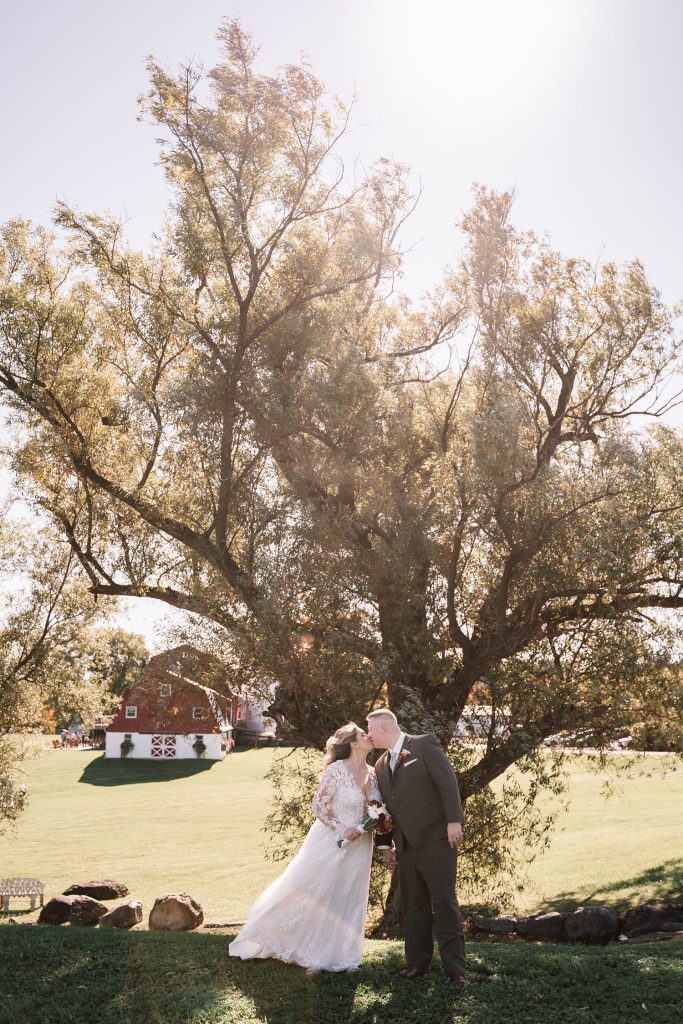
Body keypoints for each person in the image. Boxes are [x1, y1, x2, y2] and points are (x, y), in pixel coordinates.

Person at [229, 722, 380, 974]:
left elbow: (375, 810)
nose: (369, 736)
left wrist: (372, 823)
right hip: (331, 840)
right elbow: (318, 806)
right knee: (318, 892)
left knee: (348, 895)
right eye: (364, 734)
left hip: (360, 846)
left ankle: (345, 957)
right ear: (354, 743)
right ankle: (315, 955)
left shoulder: (373, 773)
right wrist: (342, 828)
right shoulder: (336, 771)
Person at [367, 708, 468, 987]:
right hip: (406, 847)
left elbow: (447, 783)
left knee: (444, 903)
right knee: (414, 906)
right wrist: (387, 845)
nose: (368, 735)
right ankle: (416, 963)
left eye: (371, 730)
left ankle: (456, 969)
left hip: (437, 839)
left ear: (384, 727)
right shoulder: (379, 765)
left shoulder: (424, 745)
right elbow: (382, 810)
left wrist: (453, 821)